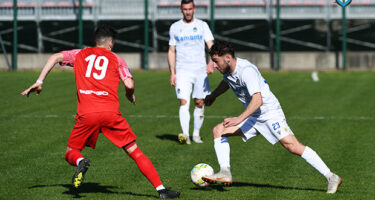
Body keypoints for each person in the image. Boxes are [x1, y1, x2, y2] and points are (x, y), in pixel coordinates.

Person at [21, 25, 180, 199]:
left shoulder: (80, 54)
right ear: (111, 42)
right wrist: (130, 95)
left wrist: (40, 81)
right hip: (111, 114)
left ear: (96, 40)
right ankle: (161, 190)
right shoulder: (116, 59)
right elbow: (129, 84)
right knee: (135, 151)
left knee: (70, 151)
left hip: (87, 113)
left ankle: (80, 161)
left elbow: (55, 57)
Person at [201, 41, 342, 194]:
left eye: (216, 61)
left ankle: (331, 176)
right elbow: (227, 82)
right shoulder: (227, 70)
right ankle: (225, 173)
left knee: (292, 146)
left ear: (228, 58)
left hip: (269, 113)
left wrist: (238, 119)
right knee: (219, 131)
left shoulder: (246, 71)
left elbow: (258, 100)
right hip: (253, 115)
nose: (214, 65)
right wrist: (214, 95)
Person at [168, 0, 214, 144]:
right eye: (185, 9)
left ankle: (196, 134)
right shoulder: (175, 27)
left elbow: (211, 44)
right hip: (183, 71)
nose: (187, 12)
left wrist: (211, 62)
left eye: (190, 9)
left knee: (200, 102)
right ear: (181, 10)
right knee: (183, 101)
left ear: (194, 9)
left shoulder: (202, 25)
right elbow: (171, 50)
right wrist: (172, 72)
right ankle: (185, 135)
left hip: (200, 70)